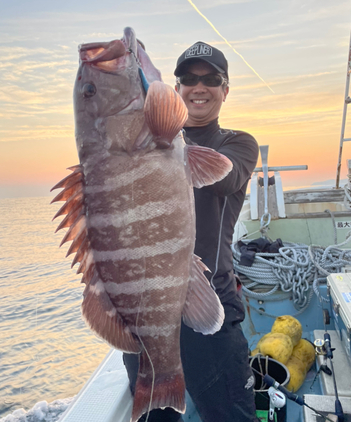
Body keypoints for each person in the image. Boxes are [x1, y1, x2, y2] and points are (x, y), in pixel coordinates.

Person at [124, 41, 259, 422]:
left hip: (210, 308)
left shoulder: (238, 143)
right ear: (177, 88)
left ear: (225, 89)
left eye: (211, 79)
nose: (199, 87)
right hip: (145, 314)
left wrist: (161, 130)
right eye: (188, 79)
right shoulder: (148, 142)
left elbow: (223, 178)